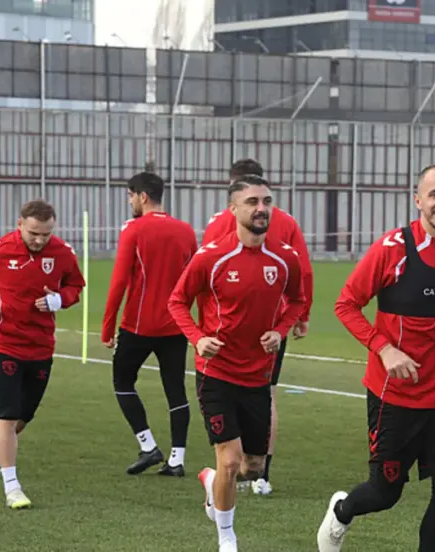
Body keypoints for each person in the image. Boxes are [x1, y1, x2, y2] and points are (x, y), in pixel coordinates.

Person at [318, 164, 435, 552]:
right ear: (418, 200)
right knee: (385, 492)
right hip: (395, 395)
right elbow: (346, 305)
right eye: (434, 194)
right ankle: (342, 511)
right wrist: (384, 349)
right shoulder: (393, 248)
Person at [167, 174, 305, 552]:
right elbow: (177, 302)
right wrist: (198, 338)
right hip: (217, 373)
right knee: (229, 461)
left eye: (266, 202)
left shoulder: (285, 258)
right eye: (252, 202)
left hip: (258, 375)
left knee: (251, 466)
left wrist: (280, 330)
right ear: (233, 209)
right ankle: (227, 538)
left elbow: (297, 300)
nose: (261, 209)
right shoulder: (211, 257)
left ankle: (212, 481)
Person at [0, 199, 85, 509]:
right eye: (33, 233)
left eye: (46, 234)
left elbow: (76, 286)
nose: (40, 240)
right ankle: (12, 487)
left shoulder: (62, 253)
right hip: (4, 345)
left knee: (22, 418)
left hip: (41, 347)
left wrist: (61, 299)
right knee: (6, 415)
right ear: (20, 225)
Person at [203, 158, 314, 496]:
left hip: (249, 331)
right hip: (268, 329)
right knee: (268, 394)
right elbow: (306, 271)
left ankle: (239, 468)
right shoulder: (287, 221)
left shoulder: (217, 221)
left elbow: (205, 281)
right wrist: (302, 316)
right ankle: (257, 474)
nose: (259, 207)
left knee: (247, 394)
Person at [101, 172, 198, 476]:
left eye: (130, 196)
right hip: (175, 327)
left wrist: (107, 328)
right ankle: (177, 459)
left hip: (138, 326)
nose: (130, 202)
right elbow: (195, 280)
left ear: (142, 196)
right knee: (175, 390)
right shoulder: (186, 231)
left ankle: (148, 446)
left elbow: (119, 282)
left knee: (122, 381)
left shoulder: (133, 230)